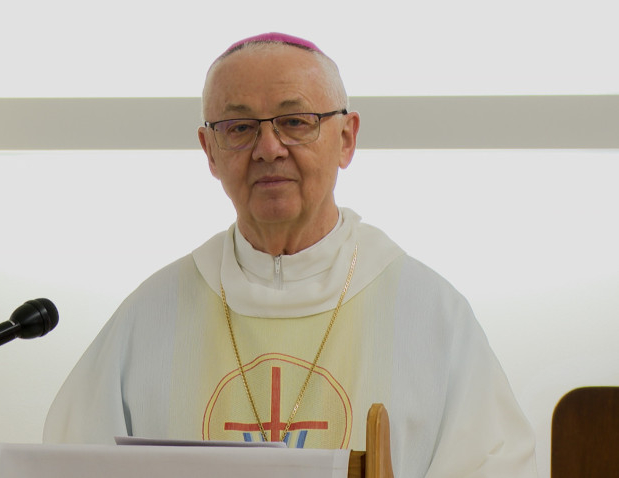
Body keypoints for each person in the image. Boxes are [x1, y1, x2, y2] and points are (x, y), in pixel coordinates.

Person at [43, 32, 537, 477]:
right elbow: (69, 461)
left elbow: (495, 464)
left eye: (295, 122)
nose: (268, 148)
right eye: (239, 127)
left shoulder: (430, 314)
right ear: (209, 150)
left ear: (346, 139)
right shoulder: (149, 317)